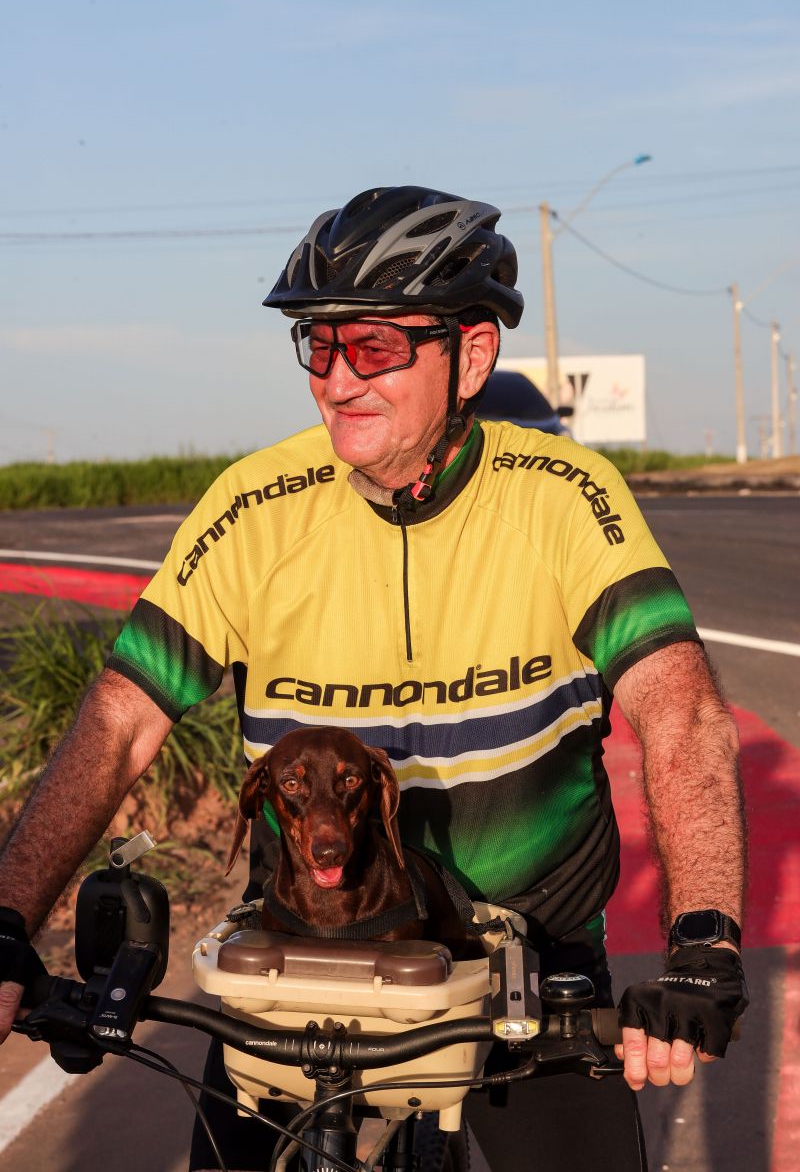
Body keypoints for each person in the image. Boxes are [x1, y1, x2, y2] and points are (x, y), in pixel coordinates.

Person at [0, 186, 748, 1171]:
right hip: (300, 969)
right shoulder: (256, 507)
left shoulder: (565, 500)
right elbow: (119, 722)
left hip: (527, 977)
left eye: (378, 347)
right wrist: (9, 917)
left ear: (470, 354)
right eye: (319, 345)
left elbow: (681, 713)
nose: (338, 379)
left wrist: (702, 946)